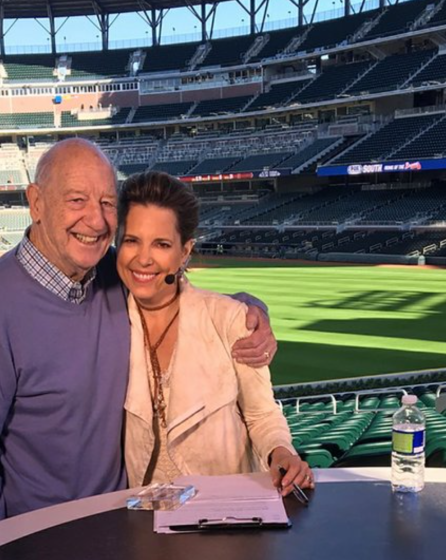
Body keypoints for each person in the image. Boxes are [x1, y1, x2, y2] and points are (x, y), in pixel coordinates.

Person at [0, 138, 278, 533]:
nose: (96, 222)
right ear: (36, 203)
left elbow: (177, 290)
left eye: (106, 203)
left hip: (124, 526)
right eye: (77, 200)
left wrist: (250, 308)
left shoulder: (112, 274)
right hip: (43, 541)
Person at [116, 171, 313, 493]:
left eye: (161, 244)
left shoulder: (230, 318)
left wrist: (281, 452)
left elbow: (261, 414)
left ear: (184, 252)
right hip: (144, 519)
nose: (143, 258)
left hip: (225, 516)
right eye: (131, 240)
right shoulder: (105, 320)